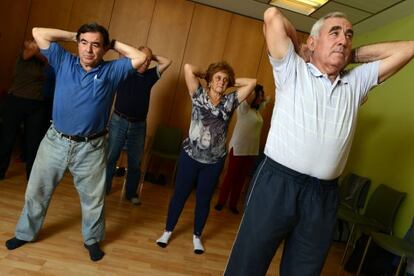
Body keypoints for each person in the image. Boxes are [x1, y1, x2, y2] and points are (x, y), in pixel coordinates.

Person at [224, 7, 414, 276]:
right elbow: (272, 15)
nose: (343, 39)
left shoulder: (356, 81)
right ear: (312, 42)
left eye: (349, 35)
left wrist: (351, 55)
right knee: (248, 264)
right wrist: (303, 47)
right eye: (334, 33)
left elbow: (409, 48)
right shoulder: (292, 69)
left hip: (323, 196)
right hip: (277, 184)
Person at [5, 23, 148, 262]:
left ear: (104, 49)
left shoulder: (112, 71)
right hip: (55, 141)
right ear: (77, 44)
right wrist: (75, 35)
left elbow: (141, 57)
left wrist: (112, 43)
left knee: (93, 199)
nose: (88, 50)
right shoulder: (63, 60)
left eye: (95, 45)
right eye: (84, 43)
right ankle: (26, 233)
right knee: (37, 192)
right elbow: (38, 32)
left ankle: (92, 240)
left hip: (91, 147)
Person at [156, 62, 256, 254]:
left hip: (213, 162)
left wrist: (230, 82)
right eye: (218, 78)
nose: (222, 81)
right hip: (190, 157)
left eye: (225, 79)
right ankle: (167, 231)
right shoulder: (198, 94)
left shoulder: (230, 101)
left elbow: (252, 82)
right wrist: (209, 75)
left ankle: (197, 237)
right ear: (209, 81)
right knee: (179, 196)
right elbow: (187, 67)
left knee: (203, 200)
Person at [105, 46, 172, 205]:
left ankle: (130, 194)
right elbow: (121, 52)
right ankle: (104, 189)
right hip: (118, 121)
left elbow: (168, 61)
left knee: (135, 162)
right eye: (143, 59)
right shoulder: (125, 69)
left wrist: (150, 56)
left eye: (149, 61)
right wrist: (140, 56)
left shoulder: (150, 75)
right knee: (111, 157)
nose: (146, 63)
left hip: (138, 126)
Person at [0, 39, 53, 180]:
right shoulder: (23, 56)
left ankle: (32, 176)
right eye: (31, 43)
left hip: (36, 104)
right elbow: (30, 53)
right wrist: (38, 47)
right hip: (16, 101)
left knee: (34, 142)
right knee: (7, 139)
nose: (35, 46)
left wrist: (41, 51)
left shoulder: (42, 61)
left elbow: (45, 59)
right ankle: (0, 171)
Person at [214, 84, 267, 214]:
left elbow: (268, 99)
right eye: (258, 96)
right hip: (238, 148)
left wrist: (262, 95)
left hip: (251, 151)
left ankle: (233, 204)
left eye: (260, 96)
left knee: (241, 179)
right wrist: (255, 89)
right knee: (230, 177)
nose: (261, 98)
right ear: (253, 96)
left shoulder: (257, 110)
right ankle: (221, 202)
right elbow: (249, 94)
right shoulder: (243, 108)